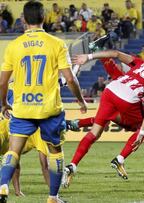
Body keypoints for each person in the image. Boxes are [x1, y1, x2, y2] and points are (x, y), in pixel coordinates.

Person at [0, 1, 87, 203]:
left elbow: (3, 81)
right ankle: (53, 197)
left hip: (22, 108)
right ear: (44, 17)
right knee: (55, 152)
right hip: (49, 109)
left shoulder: (14, 45)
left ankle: (3, 185)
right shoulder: (56, 44)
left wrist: (4, 103)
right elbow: (71, 78)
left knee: (13, 150)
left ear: (23, 19)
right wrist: (81, 101)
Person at [63, 49, 144, 187]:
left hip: (110, 90)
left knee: (94, 133)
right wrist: (140, 133)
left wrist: (89, 56)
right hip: (128, 99)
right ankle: (120, 159)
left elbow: (116, 54)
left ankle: (72, 165)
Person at [66, 77, 144, 181]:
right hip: (138, 111)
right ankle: (119, 159)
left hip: (140, 121)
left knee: (116, 120)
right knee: (111, 117)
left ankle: (75, 124)